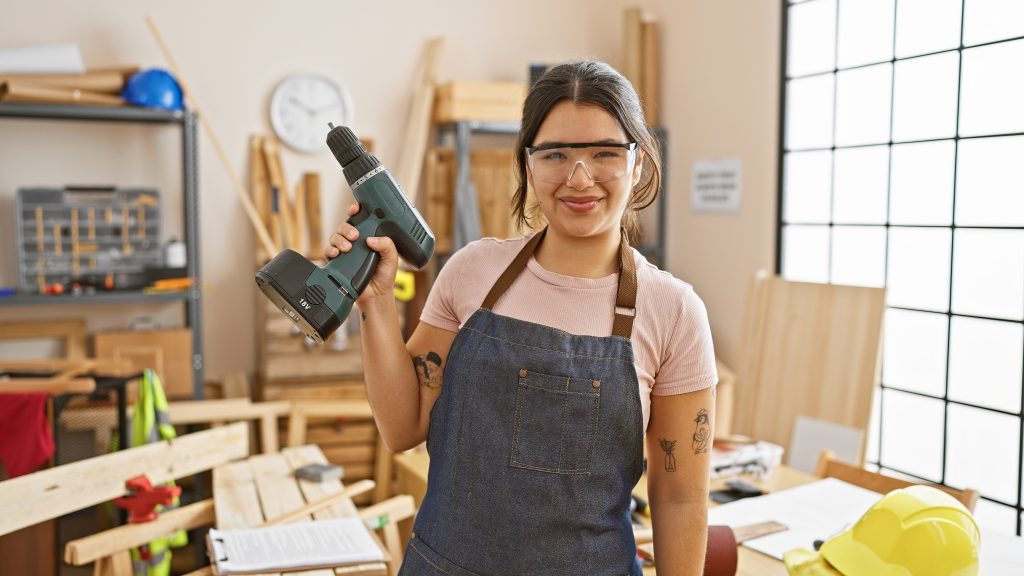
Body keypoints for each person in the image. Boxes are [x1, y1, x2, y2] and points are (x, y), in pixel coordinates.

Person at [325, 60, 717, 576]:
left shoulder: (674, 311)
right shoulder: (472, 272)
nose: (580, 178)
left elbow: (680, 499)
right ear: (529, 165)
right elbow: (402, 428)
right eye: (555, 154)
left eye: (604, 152)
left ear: (638, 163)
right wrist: (375, 305)